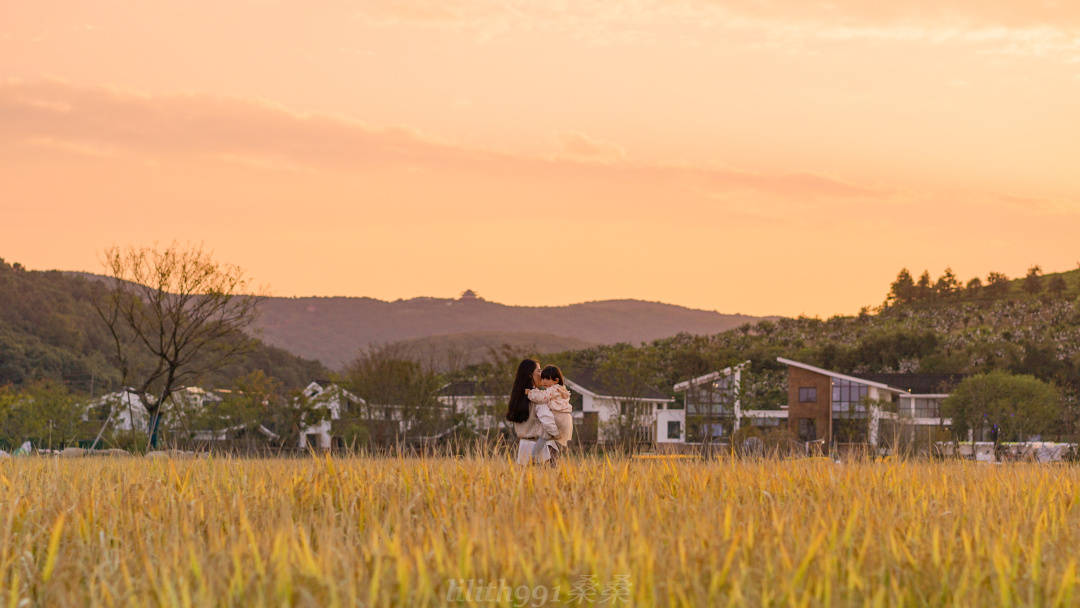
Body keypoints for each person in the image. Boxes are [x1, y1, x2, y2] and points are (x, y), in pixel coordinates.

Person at [505, 358, 559, 465]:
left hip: (523, 447)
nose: (542, 373)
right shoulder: (538, 397)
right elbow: (548, 423)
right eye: (538, 371)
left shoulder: (518, 397)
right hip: (539, 449)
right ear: (530, 375)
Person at [526, 365, 574, 463]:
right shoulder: (561, 389)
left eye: (547, 379)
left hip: (558, 417)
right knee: (554, 443)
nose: (543, 381)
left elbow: (542, 397)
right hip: (566, 420)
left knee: (544, 436)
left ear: (556, 380)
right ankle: (553, 460)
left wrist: (531, 393)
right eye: (542, 378)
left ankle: (533, 457)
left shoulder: (554, 389)